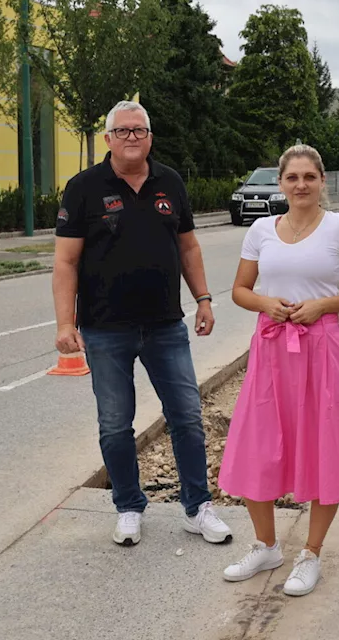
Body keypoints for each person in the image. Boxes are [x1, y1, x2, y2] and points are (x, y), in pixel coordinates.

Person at [52, 100, 231, 547]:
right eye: (123, 131)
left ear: (150, 137)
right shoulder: (83, 188)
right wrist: (64, 323)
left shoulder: (169, 181)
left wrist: (204, 299)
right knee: (115, 425)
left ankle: (197, 507)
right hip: (103, 328)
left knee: (187, 416)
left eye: (140, 130)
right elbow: (65, 261)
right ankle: (129, 507)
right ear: (108, 138)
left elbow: (188, 248)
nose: (132, 138)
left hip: (165, 326)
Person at [217, 144, 339, 597]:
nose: (301, 185)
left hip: (321, 347)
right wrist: (267, 303)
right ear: (281, 183)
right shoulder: (261, 229)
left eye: (309, 176)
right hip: (271, 349)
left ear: (322, 181)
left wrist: (323, 305)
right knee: (257, 442)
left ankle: (311, 553)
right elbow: (240, 290)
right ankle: (266, 545)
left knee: (322, 443)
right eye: (293, 177)